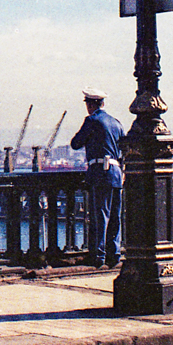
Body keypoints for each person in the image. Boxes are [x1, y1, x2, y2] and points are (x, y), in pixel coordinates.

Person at [70, 88, 125, 269]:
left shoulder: (92, 120)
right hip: (116, 173)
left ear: (90, 104)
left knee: (100, 215)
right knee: (115, 216)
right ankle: (114, 254)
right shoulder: (117, 123)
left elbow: (76, 143)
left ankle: (98, 256)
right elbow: (124, 149)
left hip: (100, 173)